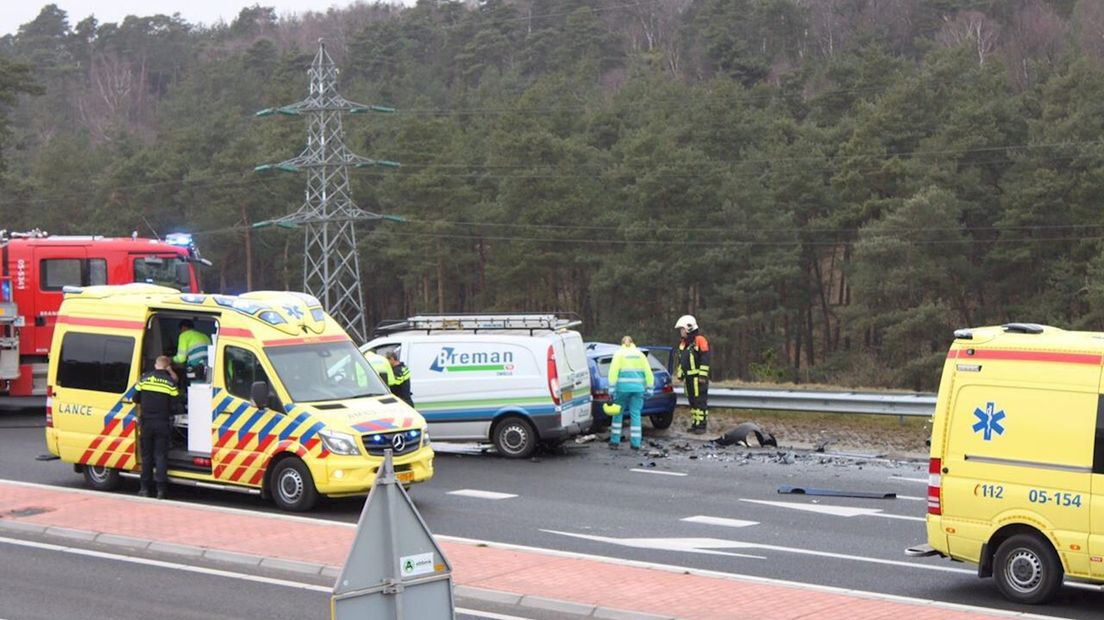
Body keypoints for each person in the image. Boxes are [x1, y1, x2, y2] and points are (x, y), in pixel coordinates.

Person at [134, 356, 180, 499]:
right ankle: (161, 491)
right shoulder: (170, 383)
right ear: (167, 367)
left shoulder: (144, 379)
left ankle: (144, 489)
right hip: (162, 423)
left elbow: (135, 399)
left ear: (155, 365)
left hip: (146, 423)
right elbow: (176, 405)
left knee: (146, 457)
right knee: (160, 457)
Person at [607, 336, 654, 450]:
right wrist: (650, 388)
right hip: (638, 389)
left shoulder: (619, 354)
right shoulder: (640, 355)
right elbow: (648, 372)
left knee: (617, 414)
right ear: (633, 343)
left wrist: (611, 389)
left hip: (622, 389)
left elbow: (613, 372)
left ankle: (614, 441)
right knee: (636, 414)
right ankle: (636, 443)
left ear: (622, 343)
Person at [675, 315, 711, 434]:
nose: (681, 332)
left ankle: (701, 426)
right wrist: (680, 375)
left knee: (700, 402)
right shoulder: (683, 343)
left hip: (698, 378)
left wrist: (702, 376)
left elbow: (705, 358)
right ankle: (695, 424)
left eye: (682, 329)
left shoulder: (700, 340)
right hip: (689, 379)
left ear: (689, 328)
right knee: (692, 402)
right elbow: (682, 361)